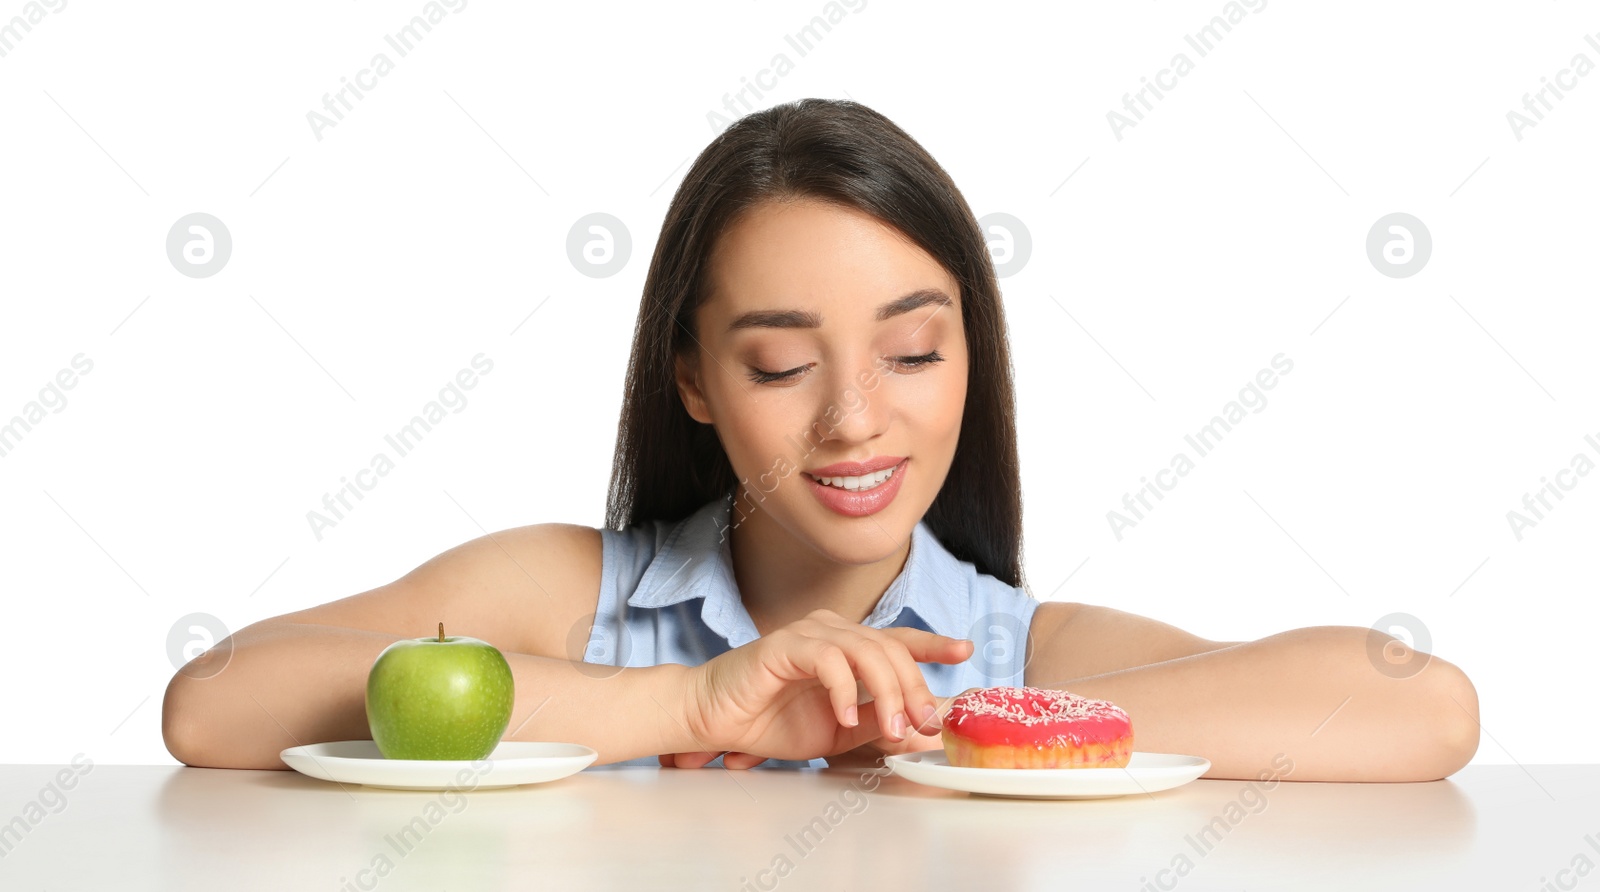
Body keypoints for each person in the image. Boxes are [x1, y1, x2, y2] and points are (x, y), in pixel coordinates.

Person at [162, 98, 1480, 781]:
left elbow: (1421, 707)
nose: (856, 417)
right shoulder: (575, 597)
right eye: (783, 364)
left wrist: (959, 720)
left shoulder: (1011, 650)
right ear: (690, 377)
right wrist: (691, 705)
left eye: (913, 351)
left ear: (974, 357)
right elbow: (214, 700)